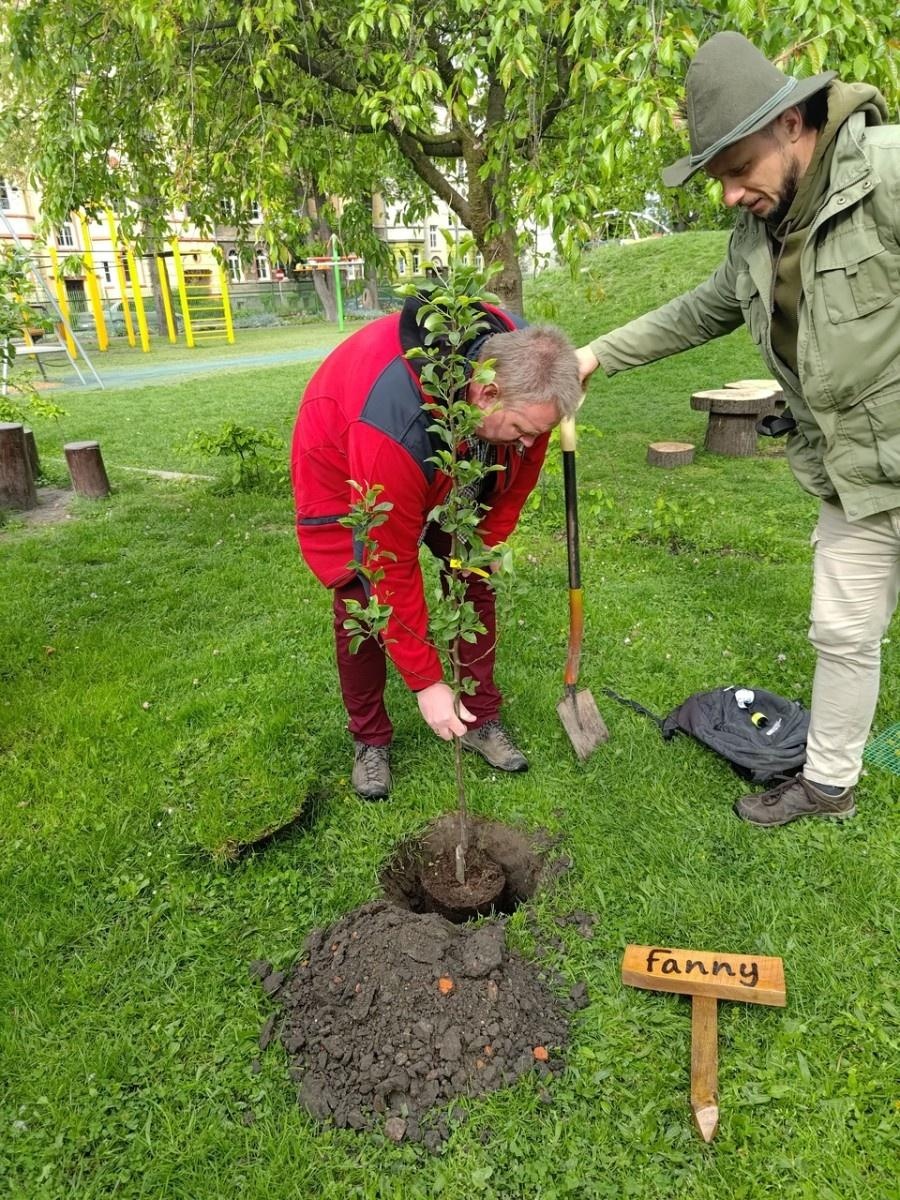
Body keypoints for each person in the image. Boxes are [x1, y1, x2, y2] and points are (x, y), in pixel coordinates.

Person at [577, 31, 899, 827]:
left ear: (791, 124)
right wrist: (592, 354)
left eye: (735, 169)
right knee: (841, 631)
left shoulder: (888, 175)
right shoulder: (757, 239)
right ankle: (828, 787)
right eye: (716, 178)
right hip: (851, 472)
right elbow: (694, 313)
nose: (728, 194)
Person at [292, 294, 581, 799]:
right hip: (348, 446)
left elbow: (516, 475)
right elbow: (388, 563)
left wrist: (478, 552)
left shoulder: (526, 370)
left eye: (541, 434)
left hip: (457, 441)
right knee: (360, 597)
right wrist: (426, 682)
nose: (531, 445)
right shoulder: (390, 425)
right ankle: (370, 739)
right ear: (485, 392)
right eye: (523, 431)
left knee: (475, 574)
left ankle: (479, 717)